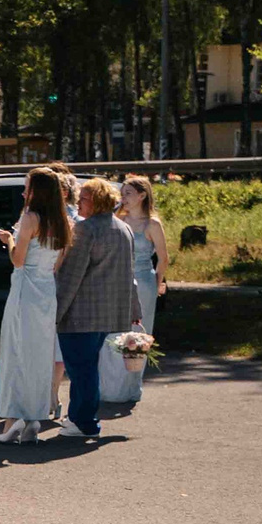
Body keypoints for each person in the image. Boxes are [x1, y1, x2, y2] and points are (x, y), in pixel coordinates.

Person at [51, 178, 140, 443]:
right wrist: (134, 307)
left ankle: (84, 421)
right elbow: (129, 274)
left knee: (81, 370)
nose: (79, 202)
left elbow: (70, 276)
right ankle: (80, 417)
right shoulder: (124, 229)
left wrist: (55, 313)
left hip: (80, 313)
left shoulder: (84, 230)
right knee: (87, 367)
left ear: (97, 200)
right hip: (108, 312)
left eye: (84, 198)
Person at [0, 169, 69, 442]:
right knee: (39, 354)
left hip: (25, 287)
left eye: (27, 188)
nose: (24, 193)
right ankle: (34, 416)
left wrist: (9, 240)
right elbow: (57, 264)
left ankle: (13, 418)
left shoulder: (30, 217)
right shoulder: (63, 221)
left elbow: (18, 259)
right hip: (47, 290)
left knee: (15, 350)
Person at [97, 174, 170, 409]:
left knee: (138, 334)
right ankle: (111, 385)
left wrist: (157, 281)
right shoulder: (118, 218)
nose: (123, 198)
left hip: (144, 280)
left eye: (128, 193)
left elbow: (163, 258)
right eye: (123, 193)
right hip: (118, 281)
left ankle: (132, 386)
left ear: (142, 195)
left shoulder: (152, 224)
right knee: (115, 332)